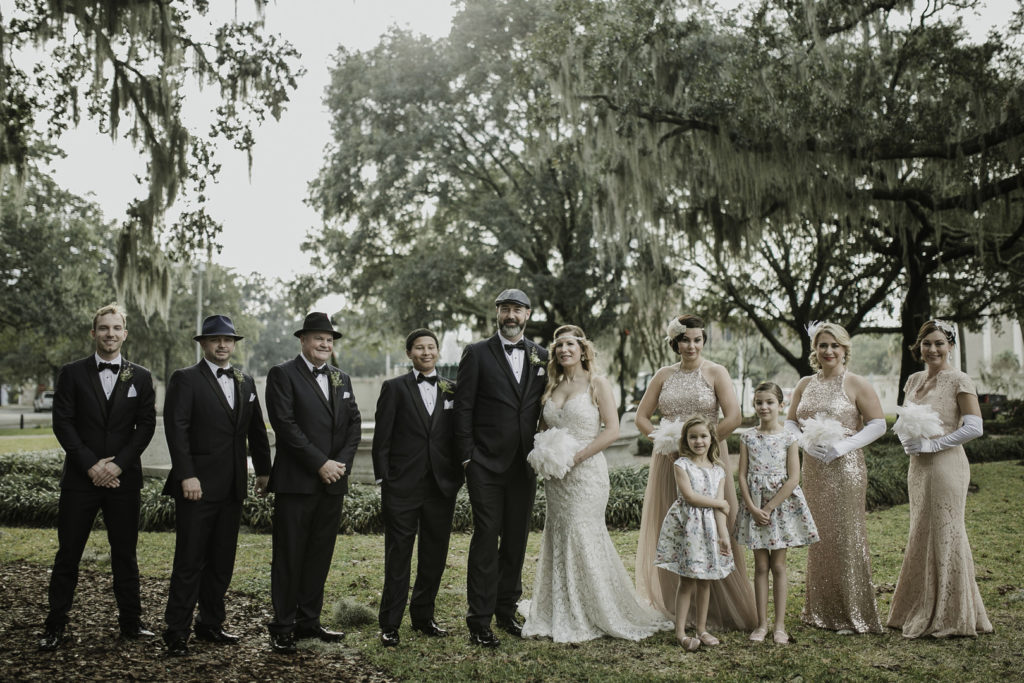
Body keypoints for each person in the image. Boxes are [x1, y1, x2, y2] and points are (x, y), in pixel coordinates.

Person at [520, 325, 670, 643]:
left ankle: (595, 607)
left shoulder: (597, 383)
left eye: (570, 344)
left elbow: (612, 430)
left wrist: (575, 457)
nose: (564, 349)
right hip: (557, 478)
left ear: (582, 349)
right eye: (558, 345)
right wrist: (546, 455)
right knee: (559, 534)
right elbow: (543, 427)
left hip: (586, 473)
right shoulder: (552, 384)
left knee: (582, 532)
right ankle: (561, 605)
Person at [40, 303, 157, 650]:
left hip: (124, 480)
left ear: (125, 333)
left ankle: (131, 625)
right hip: (80, 480)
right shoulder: (72, 373)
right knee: (68, 555)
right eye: (103, 328)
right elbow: (63, 423)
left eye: (116, 328)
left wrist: (117, 465)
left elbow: (145, 426)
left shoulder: (141, 376)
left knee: (125, 554)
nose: (110, 334)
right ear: (94, 333)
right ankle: (54, 626)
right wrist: (92, 465)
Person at [634, 314, 755, 630]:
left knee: (714, 526)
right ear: (675, 342)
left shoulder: (716, 372)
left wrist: (700, 446)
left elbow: (734, 417)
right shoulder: (663, 375)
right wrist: (662, 439)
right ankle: (677, 605)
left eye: (698, 339)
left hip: (708, 459)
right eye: (685, 339)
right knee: (676, 527)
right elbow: (642, 417)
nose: (692, 345)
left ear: (703, 341)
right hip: (670, 462)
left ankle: (719, 605)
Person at [161, 315, 272, 656]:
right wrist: (186, 475)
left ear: (234, 344)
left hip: (233, 486)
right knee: (190, 560)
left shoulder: (245, 380)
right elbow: (175, 428)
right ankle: (176, 631)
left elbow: (256, 430)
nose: (223, 345)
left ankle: (210, 623)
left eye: (228, 340)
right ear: (203, 344)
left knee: (222, 561)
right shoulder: (185, 379)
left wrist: (264, 472)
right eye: (216, 340)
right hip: (197, 485)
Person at [887, 320, 992, 638]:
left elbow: (974, 427)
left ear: (950, 346)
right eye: (926, 343)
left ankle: (950, 613)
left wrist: (934, 443)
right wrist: (907, 441)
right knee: (921, 532)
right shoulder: (914, 379)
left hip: (946, 464)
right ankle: (916, 605)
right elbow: (906, 419)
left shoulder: (959, 379)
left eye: (939, 343)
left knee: (947, 532)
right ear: (918, 347)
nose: (932, 349)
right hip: (918, 467)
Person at [454, 288, 548, 647]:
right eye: (505, 309)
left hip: (524, 465)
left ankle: (506, 610)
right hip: (485, 465)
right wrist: (468, 458)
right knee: (484, 539)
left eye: (518, 310)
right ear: (497, 313)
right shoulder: (476, 353)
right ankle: (478, 620)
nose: (511, 316)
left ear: (528, 314)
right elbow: (463, 408)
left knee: (515, 542)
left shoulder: (541, 355)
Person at [265, 312, 361, 654]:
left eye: (329, 340)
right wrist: (320, 463)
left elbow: (354, 425)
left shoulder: (341, 378)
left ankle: (309, 620)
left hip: (332, 483)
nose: (324, 344)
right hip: (297, 483)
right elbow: (285, 426)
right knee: (290, 555)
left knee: (320, 554)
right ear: (303, 340)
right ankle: (283, 625)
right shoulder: (282, 375)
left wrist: (340, 466)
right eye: (318, 338)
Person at [785, 321, 886, 634]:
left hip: (846, 468)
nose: (828, 351)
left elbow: (878, 424)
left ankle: (854, 613)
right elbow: (790, 422)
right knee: (821, 538)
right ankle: (821, 610)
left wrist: (843, 446)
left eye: (834, 345)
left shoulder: (855, 383)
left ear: (845, 349)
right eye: (822, 345)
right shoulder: (804, 384)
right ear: (814, 349)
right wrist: (804, 443)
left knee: (846, 537)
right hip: (813, 467)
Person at [372, 329, 463, 647]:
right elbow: (381, 437)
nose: (426, 352)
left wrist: (457, 477)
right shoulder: (394, 388)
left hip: (441, 486)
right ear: (409, 353)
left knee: (434, 555)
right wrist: (385, 479)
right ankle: (390, 623)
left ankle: (423, 617)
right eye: (419, 348)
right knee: (398, 555)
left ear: (438, 352)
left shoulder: (452, 389)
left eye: (431, 347)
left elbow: (458, 436)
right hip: (402, 486)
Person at [736, 381, 819, 645]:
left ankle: (780, 626)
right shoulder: (747, 437)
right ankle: (761, 625)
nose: (764, 407)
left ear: (781, 406)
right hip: (755, 506)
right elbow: (741, 475)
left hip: (779, 508)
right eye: (759, 402)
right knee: (760, 566)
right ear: (754, 404)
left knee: (778, 565)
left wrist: (770, 507)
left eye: (770, 402)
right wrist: (752, 507)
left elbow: (794, 478)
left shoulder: (789, 438)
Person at [655, 415, 735, 651]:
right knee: (688, 579)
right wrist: (719, 503)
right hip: (689, 527)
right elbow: (689, 496)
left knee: (705, 579)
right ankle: (680, 632)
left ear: (712, 439)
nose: (698, 441)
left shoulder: (718, 470)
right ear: (686, 440)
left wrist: (723, 535)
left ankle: (702, 628)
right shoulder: (682, 465)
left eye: (703, 436)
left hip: (709, 529)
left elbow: (721, 508)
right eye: (693, 437)